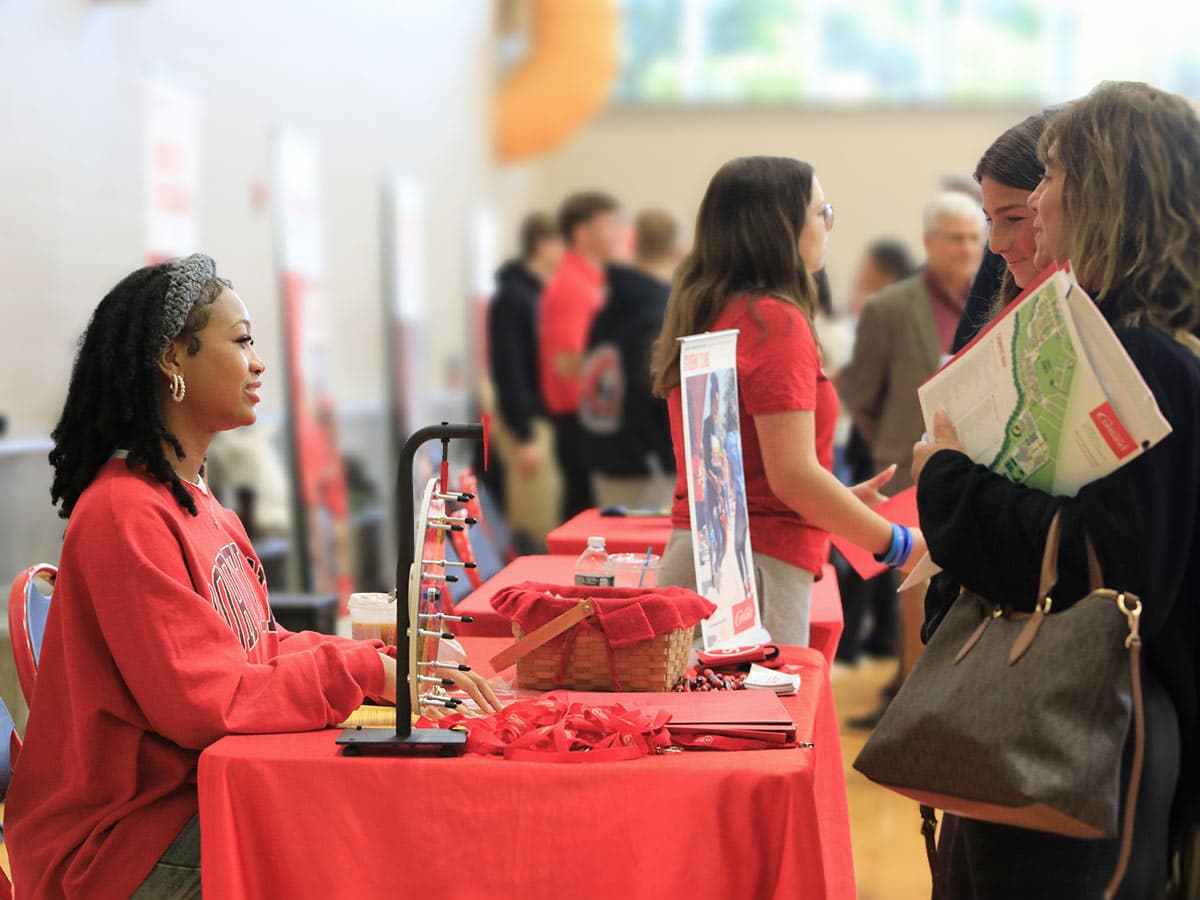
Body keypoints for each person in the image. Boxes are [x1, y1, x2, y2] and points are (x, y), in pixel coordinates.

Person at [4, 256, 501, 899]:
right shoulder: (122, 514)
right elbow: (205, 705)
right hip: (123, 846)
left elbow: (261, 647)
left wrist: (391, 660)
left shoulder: (194, 499)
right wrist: (366, 674)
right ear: (173, 360)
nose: (259, 363)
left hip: (187, 804)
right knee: (376, 839)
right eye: (240, 342)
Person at [914, 81, 1200, 898]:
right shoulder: (1128, 340)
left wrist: (945, 473)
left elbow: (1098, 564)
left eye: (1053, 177)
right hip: (1064, 717)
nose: (1037, 201)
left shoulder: (1144, 359)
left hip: (1083, 725)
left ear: (1109, 189)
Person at [651, 156, 925, 647]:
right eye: (822, 212)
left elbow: (760, 471)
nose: (827, 226)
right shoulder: (773, 321)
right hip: (752, 567)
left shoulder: (714, 308)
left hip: (709, 556)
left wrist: (833, 501)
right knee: (755, 722)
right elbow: (792, 477)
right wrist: (898, 544)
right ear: (782, 227)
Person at [839, 191, 986, 495]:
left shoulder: (994, 303)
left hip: (977, 474)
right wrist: (895, 445)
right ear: (929, 242)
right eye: (956, 239)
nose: (968, 249)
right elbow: (862, 397)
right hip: (904, 475)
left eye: (975, 238)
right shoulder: (888, 308)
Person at [579, 208, 680, 512]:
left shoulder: (607, 308)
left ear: (634, 244)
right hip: (650, 464)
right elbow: (659, 389)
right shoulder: (664, 312)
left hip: (607, 452)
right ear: (678, 251)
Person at [538, 190, 622, 521]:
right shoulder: (571, 286)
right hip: (579, 423)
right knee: (582, 514)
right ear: (581, 232)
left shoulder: (594, 281)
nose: (617, 233)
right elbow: (568, 362)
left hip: (590, 418)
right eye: (609, 225)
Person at [487, 211, 565, 549]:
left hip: (545, 419)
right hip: (529, 424)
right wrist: (524, 435)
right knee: (536, 518)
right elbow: (510, 367)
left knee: (549, 511)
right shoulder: (514, 298)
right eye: (562, 243)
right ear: (543, 244)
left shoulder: (542, 293)